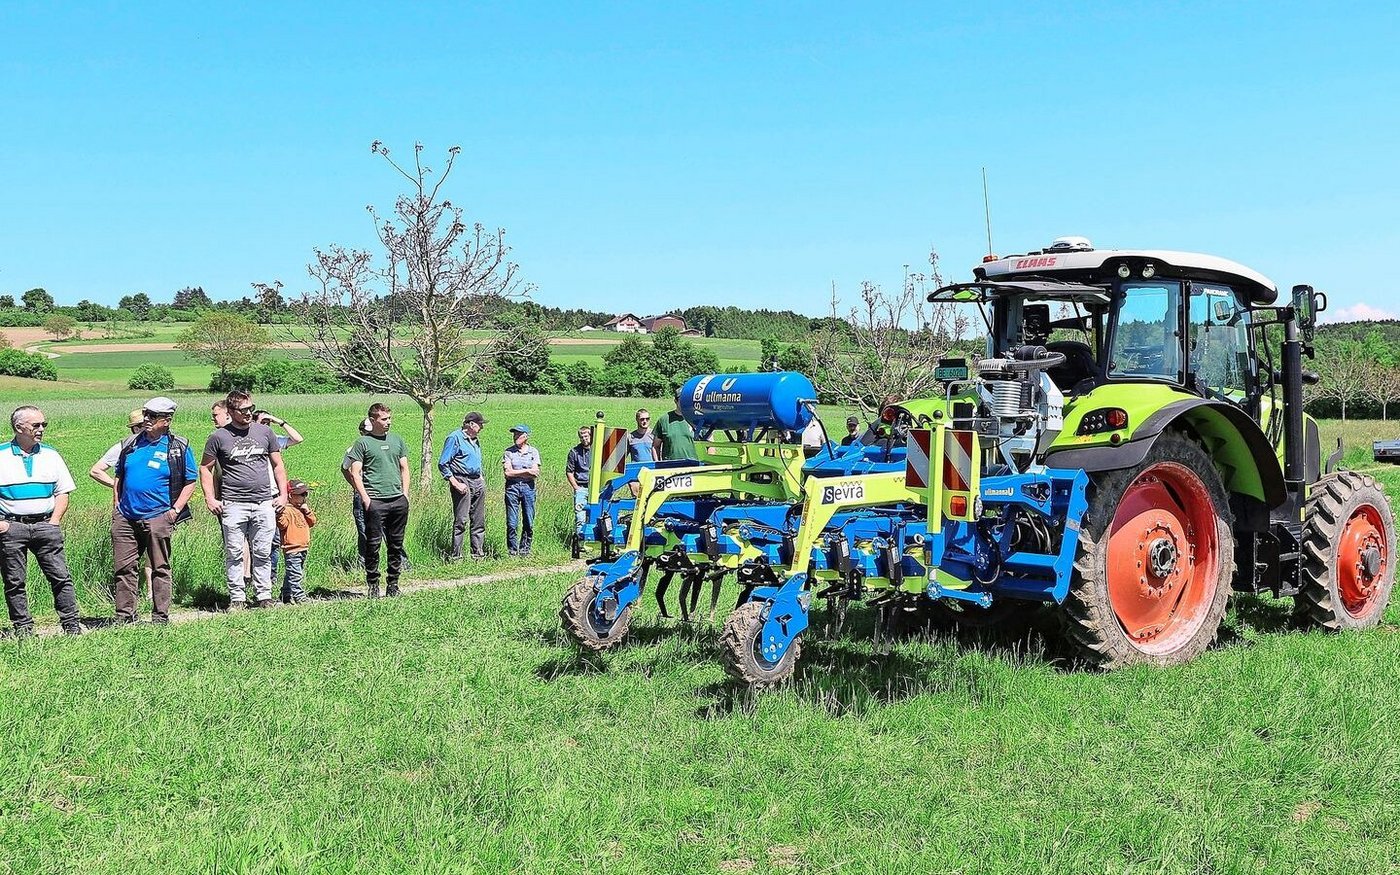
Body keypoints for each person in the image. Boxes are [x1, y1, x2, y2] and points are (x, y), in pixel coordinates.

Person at [110, 397, 197, 625]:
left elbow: (190, 480)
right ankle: (124, 617)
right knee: (124, 567)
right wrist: (116, 508)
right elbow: (119, 476)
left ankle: (160, 617)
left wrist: (174, 510)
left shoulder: (179, 446)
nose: (146, 419)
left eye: (152, 416)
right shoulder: (130, 444)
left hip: (159, 516)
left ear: (166, 420)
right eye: (145, 414)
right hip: (126, 516)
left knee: (160, 567)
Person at [199, 389, 288, 610]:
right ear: (231, 411)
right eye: (243, 410)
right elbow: (205, 468)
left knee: (263, 551)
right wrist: (210, 498)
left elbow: (278, 465)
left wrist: (283, 495)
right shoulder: (218, 437)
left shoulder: (264, 433)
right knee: (235, 551)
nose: (249, 413)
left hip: (264, 502)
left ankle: (264, 596)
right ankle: (237, 598)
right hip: (233, 503)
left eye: (251, 408)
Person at [0, 406, 82, 636]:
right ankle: (24, 629)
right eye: (36, 425)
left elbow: (63, 491)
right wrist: (2, 525)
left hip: (46, 525)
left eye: (43, 424)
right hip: (11, 527)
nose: (41, 429)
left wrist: (54, 521)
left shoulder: (51, 454)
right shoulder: (1, 455)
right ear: (19, 427)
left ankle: (71, 626)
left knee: (61, 577)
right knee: (15, 581)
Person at [90, 409, 156, 600]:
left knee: (154, 554)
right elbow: (95, 471)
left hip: (154, 508)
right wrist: (118, 486)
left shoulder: (160, 444)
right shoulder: (123, 447)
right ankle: (131, 599)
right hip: (128, 510)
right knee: (129, 556)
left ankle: (151, 594)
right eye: (143, 425)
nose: (146, 428)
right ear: (135, 428)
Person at [348, 402, 411, 598]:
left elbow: (404, 469)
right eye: (384, 419)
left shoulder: (397, 441)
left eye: (389, 418)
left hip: (397, 500)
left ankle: (393, 584)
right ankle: (373, 584)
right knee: (373, 544)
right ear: (373, 420)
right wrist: (366, 499)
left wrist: (405, 494)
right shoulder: (363, 443)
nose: (388, 422)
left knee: (395, 544)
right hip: (376, 501)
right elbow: (355, 473)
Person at [439, 411, 486, 561]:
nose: (482, 428)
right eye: (480, 424)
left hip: (477, 480)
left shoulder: (475, 440)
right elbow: (443, 463)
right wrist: (454, 482)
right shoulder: (455, 438)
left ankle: (477, 554)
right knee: (461, 520)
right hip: (461, 480)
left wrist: (481, 478)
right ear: (471, 424)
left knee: (478, 520)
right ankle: (456, 556)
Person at [501, 425, 540, 557]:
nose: (515, 437)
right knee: (512, 522)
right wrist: (526, 471)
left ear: (526, 436)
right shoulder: (508, 452)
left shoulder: (533, 452)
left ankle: (525, 549)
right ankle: (512, 550)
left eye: (518, 435)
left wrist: (517, 472)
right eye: (514, 435)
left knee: (528, 520)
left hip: (528, 488)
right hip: (512, 488)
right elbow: (507, 473)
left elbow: (535, 473)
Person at [277, 479, 317, 604]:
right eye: (302, 494)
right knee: (295, 574)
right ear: (290, 495)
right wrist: (278, 513)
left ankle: (286, 595)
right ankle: (299, 597)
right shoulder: (287, 510)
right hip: (292, 547)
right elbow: (282, 525)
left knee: (291, 572)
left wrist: (307, 511)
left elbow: (312, 522)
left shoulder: (302, 510)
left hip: (303, 547)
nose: (305, 497)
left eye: (306, 494)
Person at [342, 418, 373, 561]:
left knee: (389, 530)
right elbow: (344, 468)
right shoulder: (353, 449)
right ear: (361, 432)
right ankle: (364, 562)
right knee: (363, 530)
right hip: (362, 494)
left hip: (380, 492)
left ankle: (399, 561)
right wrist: (356, 486)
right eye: (366, 432)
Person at [651, 393, 698, 461]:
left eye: (686, 399)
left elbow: (710, 443)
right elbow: (655, 446)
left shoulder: (697, 418)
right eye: (681, 400)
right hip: (670, 467)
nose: (684, 402)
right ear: (675, 401)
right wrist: (658, 464)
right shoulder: (664, 420)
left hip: (693, 466)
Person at [565, 425, 592, 528]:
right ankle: (580, 541)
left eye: (586, 436)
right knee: (580, 518)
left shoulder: (598, 451)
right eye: (582, 437)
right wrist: (576, 488)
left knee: (597, 516)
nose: (584, 439)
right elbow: (569, 471)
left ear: (591, 436)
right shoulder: (574, 452)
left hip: (597, 488)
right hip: (581, 487)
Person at [626, 408, 656, 496]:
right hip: (636, 476)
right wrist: (630, 480)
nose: (645, 421)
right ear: (637, 420)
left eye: (647, 419)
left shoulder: (655, 436)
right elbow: (622, 458)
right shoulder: (630, 437)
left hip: (653, 474)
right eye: (642, 419)